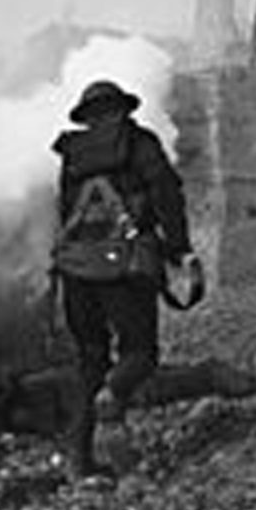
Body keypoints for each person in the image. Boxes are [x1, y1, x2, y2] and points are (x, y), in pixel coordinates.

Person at [51, 79, 195, 479]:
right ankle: (114, 395)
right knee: (140, 353)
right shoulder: (139, 142)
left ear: (89, 116)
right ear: (122, 110)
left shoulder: (72, 152)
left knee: (89, 359)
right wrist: (179, 246)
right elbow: (167, 193)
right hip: (125, 266)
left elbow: (65, 212)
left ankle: (78, 461)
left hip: (76, 268)